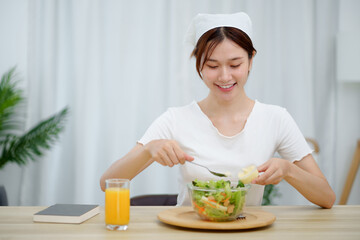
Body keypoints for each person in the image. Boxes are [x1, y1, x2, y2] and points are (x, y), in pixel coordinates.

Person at [100, 12, 335, 208]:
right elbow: (107, 182)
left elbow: (327, 197)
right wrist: (148, 150)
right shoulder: (175, 119)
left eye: (235, 65)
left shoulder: (276, 119)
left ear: (251, 59)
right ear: (198, 65)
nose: (224, 77)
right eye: (212, 65)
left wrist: (288, 170)